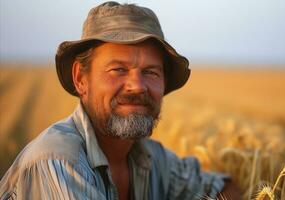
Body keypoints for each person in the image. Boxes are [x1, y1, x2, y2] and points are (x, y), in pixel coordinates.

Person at [0, 2, 240, 199]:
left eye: (151, 72)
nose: (137, 86)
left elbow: (223, 189)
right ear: (81, 79)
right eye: (118, 69)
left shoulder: (150, 158)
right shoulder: (57, 161)